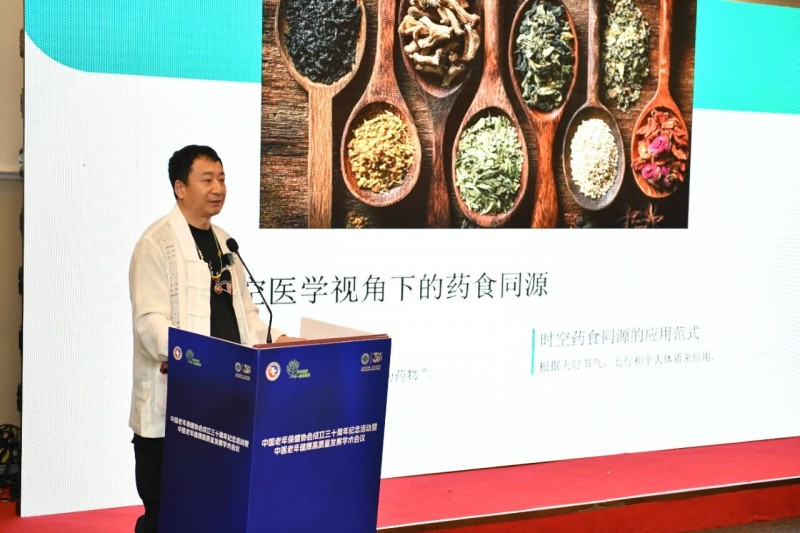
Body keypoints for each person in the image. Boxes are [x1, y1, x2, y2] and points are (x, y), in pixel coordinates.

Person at [128, 145, 287, 532]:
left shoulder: (226, 245)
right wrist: (193, 357)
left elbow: (246, 317)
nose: (218, 188)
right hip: (173, 409)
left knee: (215, 510)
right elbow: (150, 326)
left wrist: (281, 340)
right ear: (180, 188)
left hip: (224, 404)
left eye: (222, 179)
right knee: (167, 515)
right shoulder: (155, 244)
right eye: (207, 179)